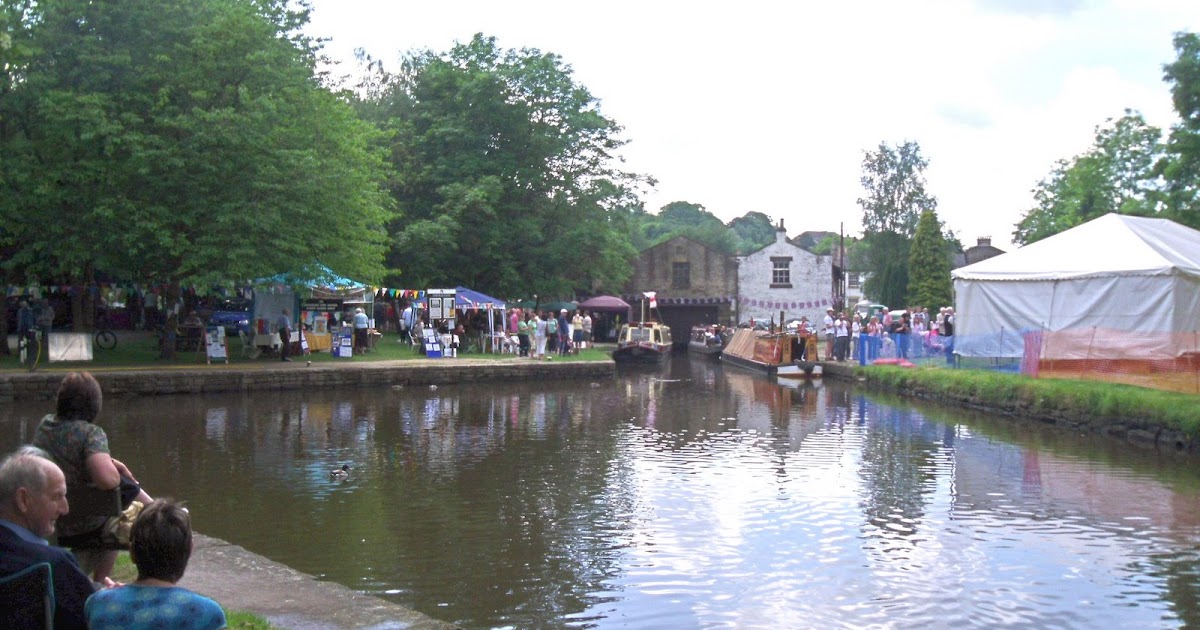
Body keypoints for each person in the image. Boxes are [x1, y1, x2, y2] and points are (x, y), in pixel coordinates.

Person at [32, 372, 155, 584]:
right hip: (85, 526)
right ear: (94, 405)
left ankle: (156, 507)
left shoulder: (45, 426)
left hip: (49, 518)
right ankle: (158, 510)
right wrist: (119, 472)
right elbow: (106, 480)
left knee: (115, 493)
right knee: (116, 503)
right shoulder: (91, 434)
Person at [0, 448, 108, 630]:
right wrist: (113, 598)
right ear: (23, 500)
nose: (65, 509)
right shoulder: (51, 564)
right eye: (57, 496)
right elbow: (93, 620)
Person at [85, 499, 225, 630]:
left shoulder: (98, 604)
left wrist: (111, 596)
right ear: (189, 550)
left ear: (132, 551)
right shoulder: (207, 614)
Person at [16, 299, 36, 367]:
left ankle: (31, 360)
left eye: (24, 304)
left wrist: (34, 328)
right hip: (21, 330)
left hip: (29, 330)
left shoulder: (31, 311)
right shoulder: (19, 311)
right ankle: (21, 360)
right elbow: (18, 319)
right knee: (21, 345)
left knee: (30, 345)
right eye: (22, 305)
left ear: (27, 304)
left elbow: (34, 319)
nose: (23, 306)